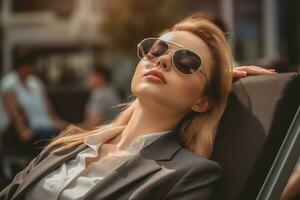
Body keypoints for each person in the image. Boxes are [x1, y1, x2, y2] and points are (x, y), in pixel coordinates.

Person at [0, 14, 274, 200]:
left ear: (202, 101)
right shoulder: (66, 145)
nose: (162, 61)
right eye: (157, 50)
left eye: (187, 62)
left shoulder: (190, 175)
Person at [0, 50, 67, 155]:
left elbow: (48, 109)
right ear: (23, 66)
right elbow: (14, 112)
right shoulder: (9, 83)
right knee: (53, 138)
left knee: (67, 133)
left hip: (44, 126)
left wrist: (60, 123)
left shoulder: (36, 82)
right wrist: (22, 130)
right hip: (28, 129)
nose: (34, 68)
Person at [80, 63, 121, 129]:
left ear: (100, 77)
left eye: (91, 75)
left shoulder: (100, 94)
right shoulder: (110, 91)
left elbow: (93, 124)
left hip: (102, 134)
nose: (88, 78)